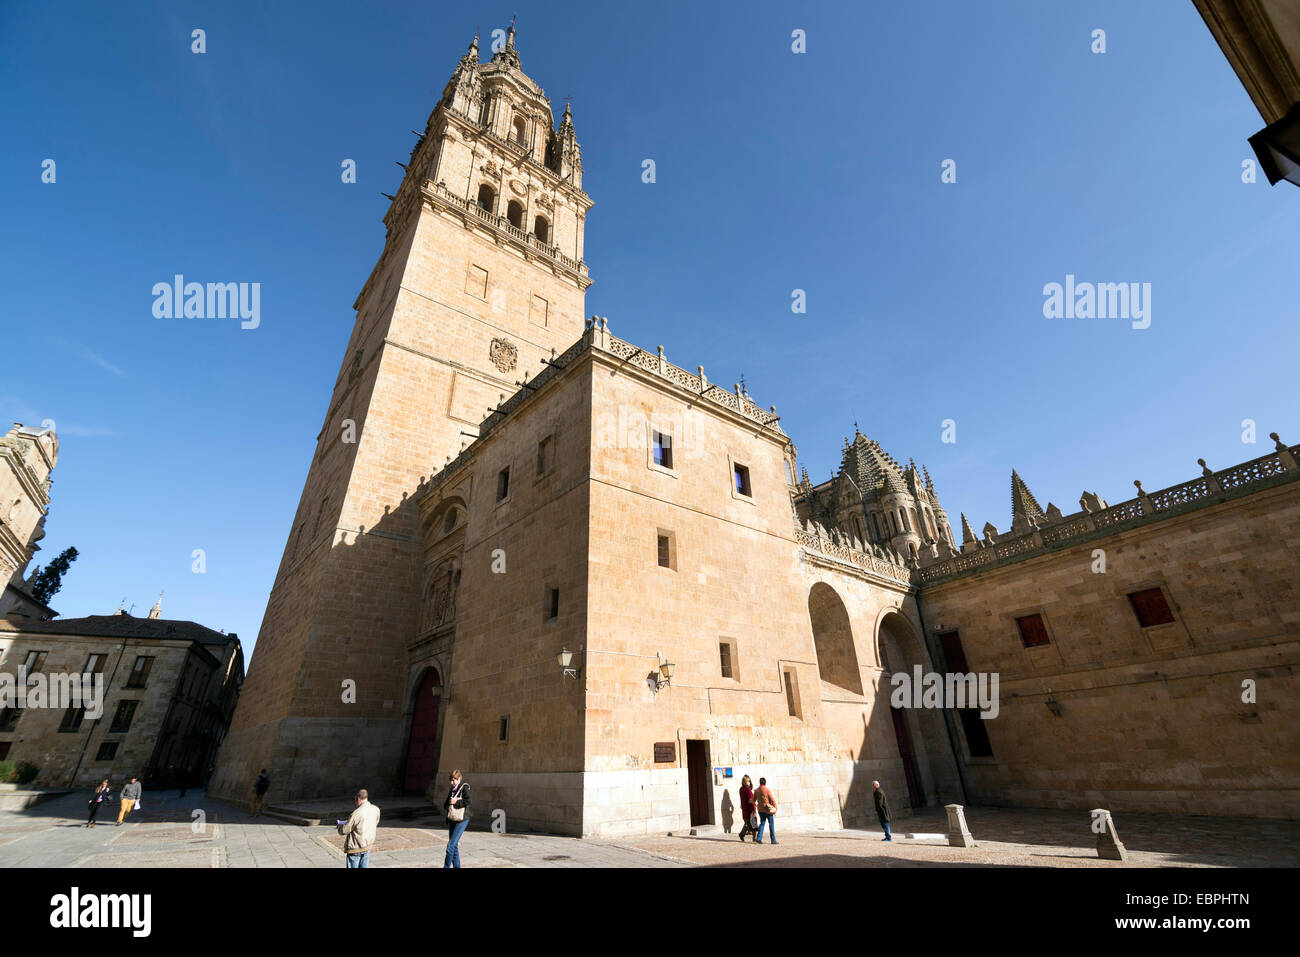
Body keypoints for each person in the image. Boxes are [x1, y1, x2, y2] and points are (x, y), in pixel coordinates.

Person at [337, 788, 381, 868]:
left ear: (358, 799)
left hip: (355, 847)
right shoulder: (376, 809)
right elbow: (375, 823)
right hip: (367, 845)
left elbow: (344, 830)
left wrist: (339, 826)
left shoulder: (356, 813)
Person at [442, 769, 471, 868]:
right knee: (454, 847)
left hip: (462, 819)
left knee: (450, 847)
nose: (452, 782)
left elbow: (468, 801)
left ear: (459, 779)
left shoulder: (464, 788)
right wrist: (448, 805)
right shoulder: (452, 789)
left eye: (454, 780)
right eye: (451, 780)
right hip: (452, 819)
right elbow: (446, 804)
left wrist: (456, 802)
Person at [755, 776, 778, 845]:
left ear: (760, 782)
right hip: (767, 810)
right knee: (771, 824)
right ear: (765, 782)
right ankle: (773, 840)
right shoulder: (767, 790)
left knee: (762, 823)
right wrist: (775, 808)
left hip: (760, 809)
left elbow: (753, 800)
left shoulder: (756, 790)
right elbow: (772, 799)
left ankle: (759, 838)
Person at [737, 775, 757, 842]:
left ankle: (742, 834)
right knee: (753, 823)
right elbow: (751, 799)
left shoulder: (741, 789)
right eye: (748, 781)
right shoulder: (747, 789)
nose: (749, 782)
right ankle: (754, 838)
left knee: (747, 823)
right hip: (750, 809)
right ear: (746, 782)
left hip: (744, 808)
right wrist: (754, 808)